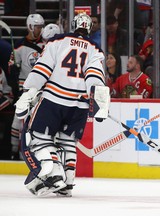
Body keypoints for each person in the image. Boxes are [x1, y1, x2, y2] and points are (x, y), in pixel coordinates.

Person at [14, 13, 107, 197]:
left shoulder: (58, 41)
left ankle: (54, 174)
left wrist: (29, 90)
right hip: (79, 105)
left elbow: (43, 69)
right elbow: (95, 77)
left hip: (53, 99)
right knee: (67, 141)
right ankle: (68, 182)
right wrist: (100, 100)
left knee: (39, 137)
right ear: (89, 28)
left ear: (73, 25)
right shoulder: (95, 49)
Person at [9, 13, 45, 160]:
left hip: (41, 89)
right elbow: (11, 68)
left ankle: (35, 153)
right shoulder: (19, 46)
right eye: (37, 27)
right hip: (24, 89)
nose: (40, 30)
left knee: (37, 121)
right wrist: (14, 69)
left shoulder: (46, 45)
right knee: (17, 120)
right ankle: (13, 151)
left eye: (41, 27)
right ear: (30, 27)